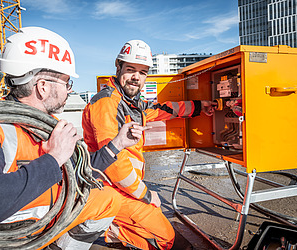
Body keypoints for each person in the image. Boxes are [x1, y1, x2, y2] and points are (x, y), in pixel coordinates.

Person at [0, 27, 147, 250]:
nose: (69, 91)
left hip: (32, 233)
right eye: (66, 83)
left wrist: (118, 143)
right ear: (43, 87)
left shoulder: (46, 127)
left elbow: (80, 169)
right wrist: (53, 159)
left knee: (106, 198)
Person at [82, 40, 216, 249]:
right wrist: (146, 195)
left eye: (143, 72)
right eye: (131, 70)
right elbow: (113, 163)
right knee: (166, 239)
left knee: (160, 227)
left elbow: (161, 109)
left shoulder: (128, 102)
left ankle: (114, 225)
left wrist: (198, 106)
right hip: (109, 189)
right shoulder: (108, 103)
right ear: (118, 67)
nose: (136, 77)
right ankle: (105, 224)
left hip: (123, 188)